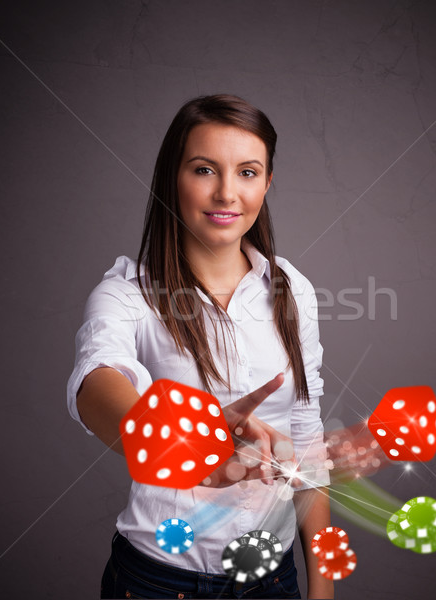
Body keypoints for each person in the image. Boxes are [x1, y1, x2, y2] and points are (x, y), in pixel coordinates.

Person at [67, 94, 334, 599]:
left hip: (272, 582)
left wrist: (322, 593)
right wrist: (191, 442)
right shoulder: (127, 296)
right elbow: (97, 381)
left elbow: (307, 443)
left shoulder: (292, 290)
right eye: (205, 169)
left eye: (248, 172)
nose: (227, 193)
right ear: (174, 177)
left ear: (267, 183)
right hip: (158, 584)